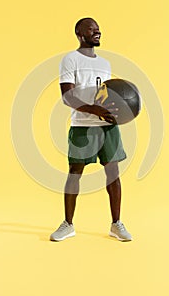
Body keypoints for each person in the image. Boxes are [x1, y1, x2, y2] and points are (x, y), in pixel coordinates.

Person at [50, 18, 132, 242]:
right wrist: (92, 109)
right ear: (79, 33)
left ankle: (116, 224)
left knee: (113, 174)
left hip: (107, 125)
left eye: (98, 29)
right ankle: (68, 224)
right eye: (92, 29)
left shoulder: (105, 63)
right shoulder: (70, 60)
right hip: (82, 126)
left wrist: (119, 109)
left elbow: (107, 95)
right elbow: (67, 96)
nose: (98, 32)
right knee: (74, 173)